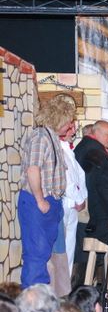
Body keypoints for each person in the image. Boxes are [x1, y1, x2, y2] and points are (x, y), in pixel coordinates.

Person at [17, 95, 76, 288]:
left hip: (51, 201)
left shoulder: (52, 137)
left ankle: (44, 296)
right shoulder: (40, 137)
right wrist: (40, 200)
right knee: (36, 255)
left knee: (45, 254)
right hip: (37, 202)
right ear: (58, 118)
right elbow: (33, 169)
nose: (70, 126)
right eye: (68, 122)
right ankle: (33, 301)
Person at [60, 120, 88, 278]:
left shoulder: (68, 150)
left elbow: (79, 175)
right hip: (66, 203)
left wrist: (82, 197)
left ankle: (66, 284)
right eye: (70, 128)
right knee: (62, 250)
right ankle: (61, 285)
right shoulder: (59, 150)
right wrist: (79, 199)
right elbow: (67, 179)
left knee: (69, 249)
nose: (73, 132)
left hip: (73, 205)